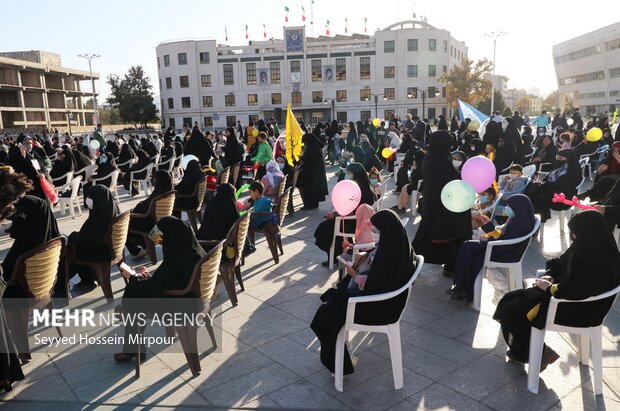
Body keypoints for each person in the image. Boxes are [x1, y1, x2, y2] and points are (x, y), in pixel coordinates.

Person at [494, 210, 620, 368]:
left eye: (576, 233)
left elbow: (582, 289)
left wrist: (551, 288)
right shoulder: (589, 245)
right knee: (510, 299)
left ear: (587, 232)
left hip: (577, 309)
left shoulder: (603, 261)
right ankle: (533, 352)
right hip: (564, 297)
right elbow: (562, 263)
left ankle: (537, 353)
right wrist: (551, 275)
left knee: (512, 310)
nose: (573, 236)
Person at [310, 210, 416, 375]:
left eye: (375, 232)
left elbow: (374, 286)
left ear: (386, 232)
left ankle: (339, 366)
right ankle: (338, 360)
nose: (372, 236)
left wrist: (355, 275)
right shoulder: (398, 245)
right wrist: (366, 254)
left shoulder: (388, 257)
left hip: (379, 308)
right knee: (329, 308)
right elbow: (380, 267)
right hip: (387, 302)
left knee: (326, 315)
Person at [114, 216, 206, 361]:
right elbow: (166, 278)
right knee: (137, 289)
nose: (163, 245)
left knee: (134, 297)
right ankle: (133, 346)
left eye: (163, 240)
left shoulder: (179, 259)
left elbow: (157, 286)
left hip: (182, 304)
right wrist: (146, 276)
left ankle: (133, 348)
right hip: (192, 296)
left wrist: (132, 277)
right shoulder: (191, 249)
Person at [448, 195, 536, 301]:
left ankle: (463, 287)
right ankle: (462, 286)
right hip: (500, 247)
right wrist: (487, 223)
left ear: (518, 207)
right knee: (467, 246)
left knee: (468, 248)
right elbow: (501, 235)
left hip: (505, 252)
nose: (506, 208)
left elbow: (507, 243)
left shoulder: (521, 224)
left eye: (509, 206)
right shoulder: (515, 219)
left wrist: (488, 241)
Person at [412, 130, 471, 276]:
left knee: (436, 234)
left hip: (437, 203)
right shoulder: (437, 162)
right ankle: (413, 264)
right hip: (440, 206)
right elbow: (445, 180)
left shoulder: (434, 158)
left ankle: (449, 266)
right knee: (451, 233)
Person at [58, 185, 120, 293]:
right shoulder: (110, 209)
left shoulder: (99, 219)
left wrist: (72, 237)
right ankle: (88, 280)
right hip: (110, 248)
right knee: (76, 246)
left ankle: (60, 287)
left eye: (90, 197)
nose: (87, 200)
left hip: (101, 252)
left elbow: (87, 240)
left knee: (69, 252)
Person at [314, 162, 377, 267]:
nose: (347, 176)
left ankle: (333, 256)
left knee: (325, 228)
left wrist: (335, 215)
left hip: (356, 223)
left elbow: (351, 211)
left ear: (356, 175)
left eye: (349, 173)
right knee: (329, 225)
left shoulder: (360, 190)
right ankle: (335, 255)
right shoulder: (366, 185)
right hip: (360, 220)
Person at [2, 196, 60, 283]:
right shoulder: (55, 243)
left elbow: (5, 276)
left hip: (18, 290)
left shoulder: (23, 252)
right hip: (44, 286)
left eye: (20, 215)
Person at [125, 170, 173, 257]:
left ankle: (136, 251)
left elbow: (145, 209)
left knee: (126, 224)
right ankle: (146, 246)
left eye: (154, 179)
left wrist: (134, 211)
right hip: (161, 221)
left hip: (152, 224)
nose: (152, 180)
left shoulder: (157, 195)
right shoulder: (169, 191)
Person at [526, 149, 581, 223]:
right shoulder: (562, 167)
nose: (558, 160)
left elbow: (561, 186)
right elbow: (551, 180)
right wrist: (541, 183)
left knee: (534, 196)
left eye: (561, 158)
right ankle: (529, 216)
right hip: (554, 190)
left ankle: (536, 220)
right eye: (557, 158)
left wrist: (542, 185)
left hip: (562, 197)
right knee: (530, 190)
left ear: (568, 158)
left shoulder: (570, 171)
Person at [298, 133, 328, 210]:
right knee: (315, 189)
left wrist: (302, 157)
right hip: (316, 172)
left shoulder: (312, 147)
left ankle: (309, 205)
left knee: (309, 188)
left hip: (312, 172)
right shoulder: (316, 145)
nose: (305, 144)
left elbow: (309, 159)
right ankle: (314, 204)